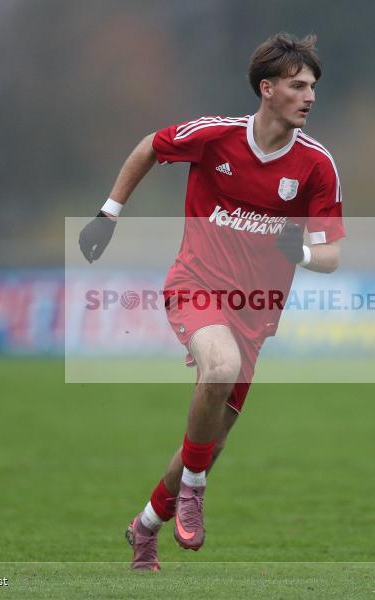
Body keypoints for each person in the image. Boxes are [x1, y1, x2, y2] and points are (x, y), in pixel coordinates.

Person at [78, 32, 345, 571]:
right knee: (217, 368)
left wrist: (303, 252)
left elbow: (332, 255)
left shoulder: (317, 165)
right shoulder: (216, 136)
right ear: (266, 89)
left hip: (256, 312)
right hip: (195, 285)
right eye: (298, 85)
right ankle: (196, 491)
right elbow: (151, 146)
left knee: (209, 441)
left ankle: (145, 527)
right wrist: (108, 213)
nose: (310, 96)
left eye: (313, 86)